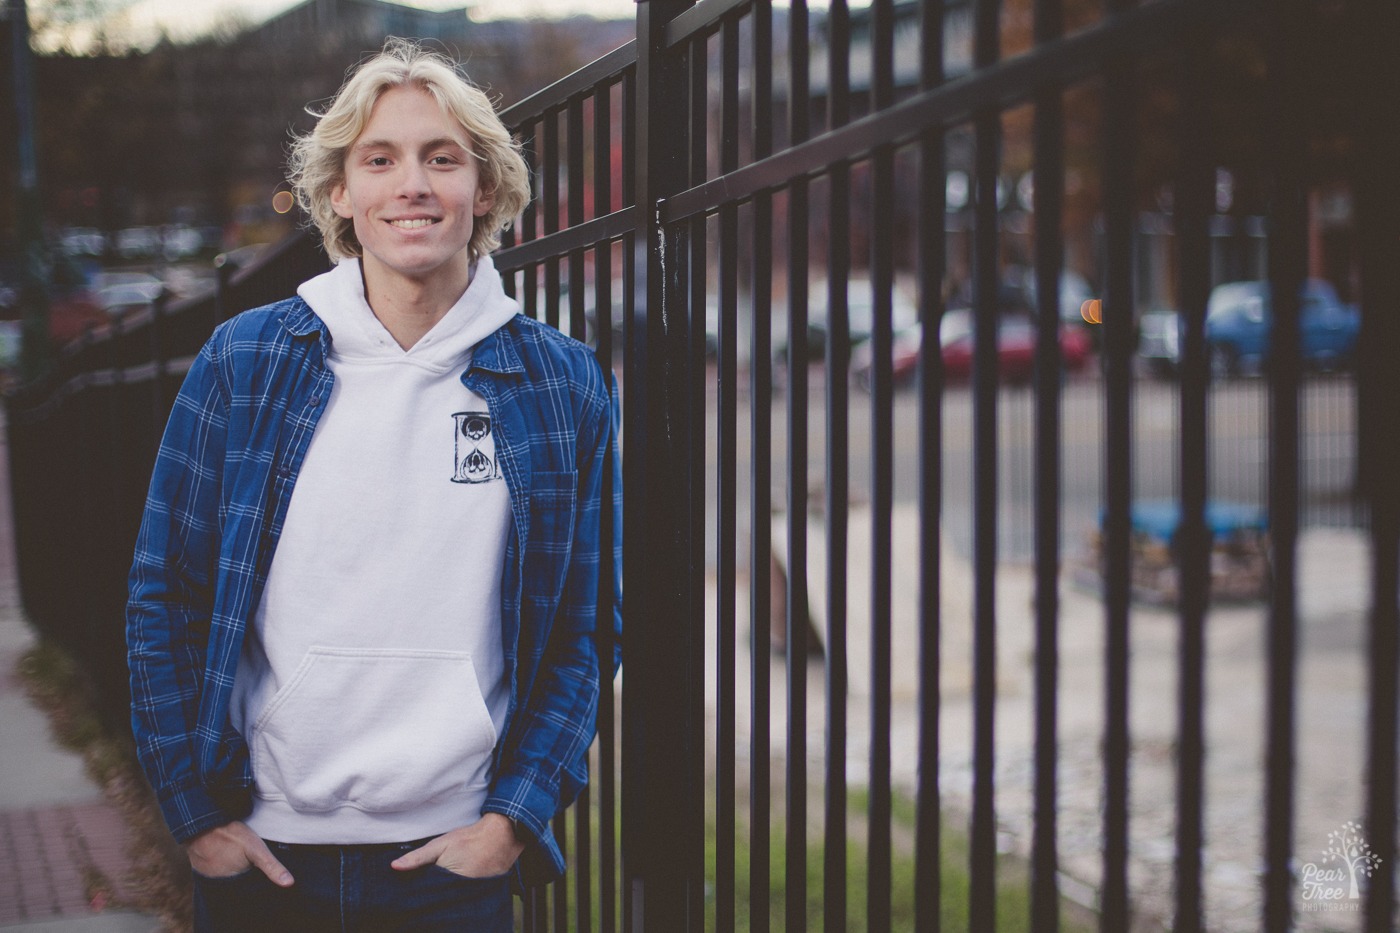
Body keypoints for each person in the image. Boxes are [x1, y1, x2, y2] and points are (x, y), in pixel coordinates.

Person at [126, 38, 621, 932]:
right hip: (265, 860)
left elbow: (585, 626)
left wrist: (515, 818)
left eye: (442, 158)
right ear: (342, 196)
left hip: (452, 862)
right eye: (380, 160)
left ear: (487, 190)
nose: (414, 185)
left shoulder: (561, 383)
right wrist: (195, 817)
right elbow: (164, 589)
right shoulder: (246, 360)